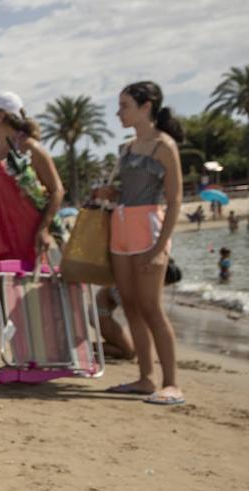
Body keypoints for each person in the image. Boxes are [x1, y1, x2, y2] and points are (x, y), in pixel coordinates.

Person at [101, 81, 185, 406]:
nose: (118, 112)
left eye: (125, 106)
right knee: (131, 305)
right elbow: (128, 192)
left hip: (149, 230)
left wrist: (160, 246)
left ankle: (172, 383)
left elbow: (174, 200)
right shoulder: (126, 148)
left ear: (146, 106)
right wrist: (111, 193)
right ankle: (146, 377)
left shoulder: (164, 146)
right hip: (121, 229)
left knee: (151, 307)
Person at [0, 92, 65, 274]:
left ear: (0, 116)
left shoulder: (29, 147)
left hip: (26, 235)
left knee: (28, 287)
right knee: (1, 287)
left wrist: (44, 228)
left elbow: (57, 190)